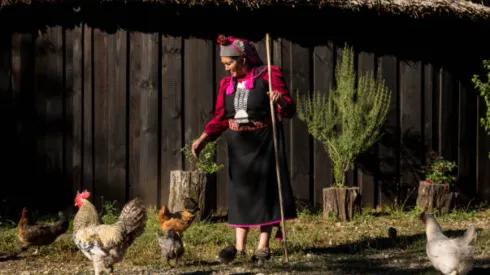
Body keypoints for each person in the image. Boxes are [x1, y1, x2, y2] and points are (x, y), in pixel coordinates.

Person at [191, 34, 297, 261]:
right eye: (225, 64)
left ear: (244, 59)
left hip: (264, 141)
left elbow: (288, 109)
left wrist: (279, 100)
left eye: (229, 63)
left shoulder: (268, 74)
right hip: (238, 144)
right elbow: (220, 116)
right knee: (240, 193)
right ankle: (239, 248)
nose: (227, 68)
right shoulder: (226, 84)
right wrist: (203, 138)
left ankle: (263, 246)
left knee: (264, 193)